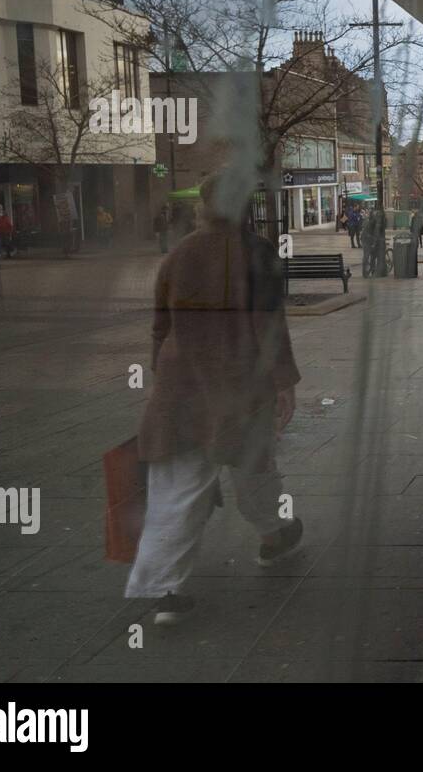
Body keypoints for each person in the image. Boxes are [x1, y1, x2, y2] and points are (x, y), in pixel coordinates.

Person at [126, 172, 303, 625]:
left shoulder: (177, 255)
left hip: (182, 383)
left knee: (177, 488)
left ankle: (165, 590)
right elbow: (268, 327)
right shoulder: (256, 252)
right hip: (238, 382)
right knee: (253, 471)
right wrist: (284, 381)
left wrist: (160, 376)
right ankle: (272, 536)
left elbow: (159, 326)